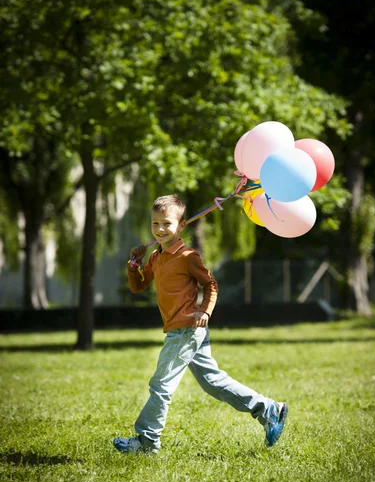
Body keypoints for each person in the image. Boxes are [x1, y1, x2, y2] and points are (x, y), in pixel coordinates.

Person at [113, 194, 288, 454]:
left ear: (181, 226)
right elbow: (139, 286)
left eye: (167, 224)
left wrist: (205, 310)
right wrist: (134, 265)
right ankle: (268, 409)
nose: (160, 229)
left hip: (187, 328)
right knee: (212, 382)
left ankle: (147, 442)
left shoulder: (187, 256)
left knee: (161, 385)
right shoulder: (157, 257)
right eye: (155, 224)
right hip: (181, 329)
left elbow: (210, 285)